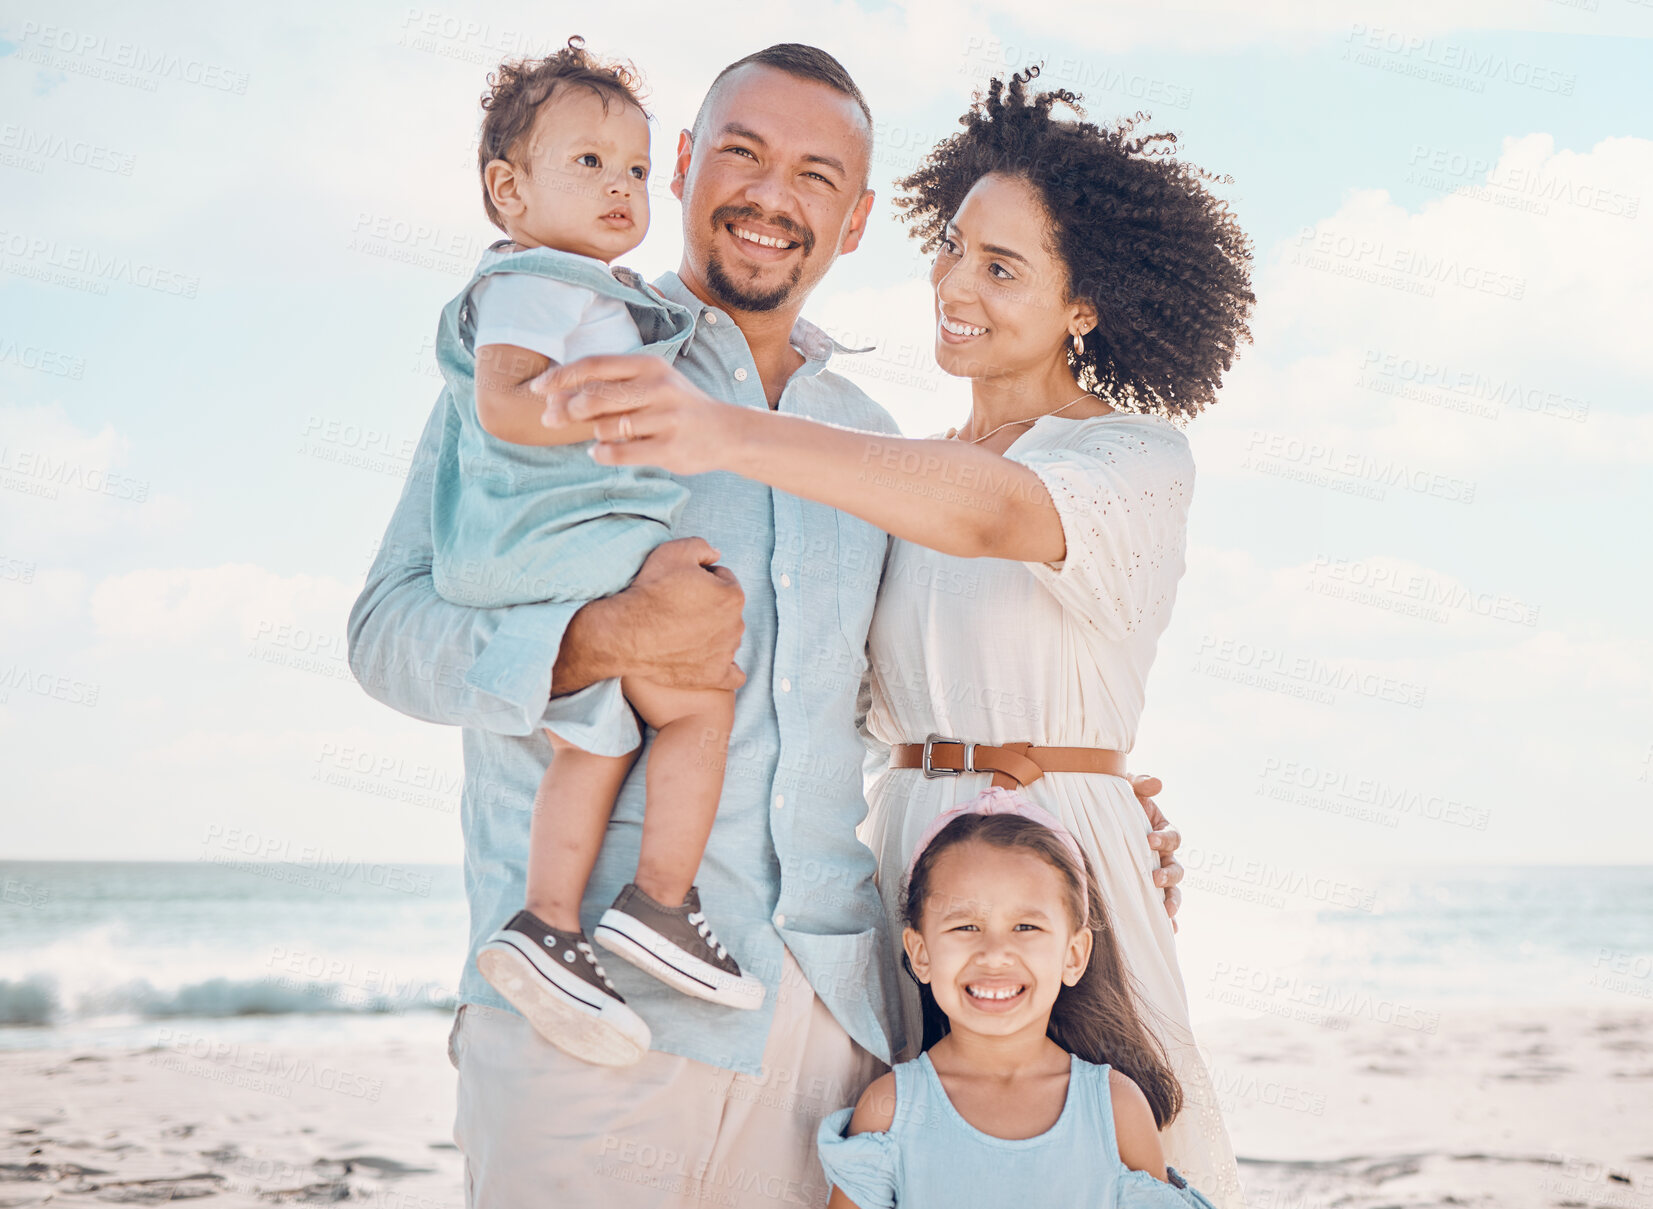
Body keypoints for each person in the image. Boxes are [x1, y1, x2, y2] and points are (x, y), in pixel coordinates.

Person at [348, 46, 1184, 1207]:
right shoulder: (560, 367)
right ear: (683, 167)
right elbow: (386, 630)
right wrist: (603, 643)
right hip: (593, 1016)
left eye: (815, 173)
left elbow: (895, 704)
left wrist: (1068, 804)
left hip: (827, 1027)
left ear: (851, 225)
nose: (770, 193)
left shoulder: (872, 439)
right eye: (740, 152)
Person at [430, 38, 762, 1069]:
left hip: (549, 547)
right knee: (703, 690)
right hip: (551, 539)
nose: (619, 187)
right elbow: (503, 400)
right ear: (508, 188)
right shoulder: (541, 283)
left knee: (602, 727)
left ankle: (548, 921)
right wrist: (599, 416)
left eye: (630, 168)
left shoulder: (583, 288)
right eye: (588, 165)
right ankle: (660, 902)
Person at [817, 788, 1218, 1208]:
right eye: (965, 927)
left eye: (1026, 927)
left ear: (1074, 955)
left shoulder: (1117, 1109)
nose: (994, 954)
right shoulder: (888, 1110)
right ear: (920, 954)